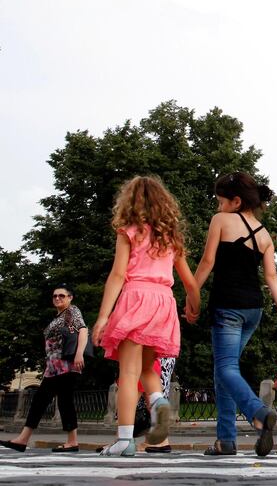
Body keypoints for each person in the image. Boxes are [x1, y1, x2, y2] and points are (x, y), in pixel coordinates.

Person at [90, 176, 200, 457]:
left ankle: (124, 440)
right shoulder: (171, 238)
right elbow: (190, 282)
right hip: (164, 302)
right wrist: (193, 307)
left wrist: (103, 317)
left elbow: (117, 275)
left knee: (127, 374)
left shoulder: (128, 232)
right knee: (147, 369)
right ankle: (159, 401)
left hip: (136, 297)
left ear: (129, 202)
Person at [194, 171, 277, 457]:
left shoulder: (221, 220)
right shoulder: (264, 234)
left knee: (226, 368)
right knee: (224, 371)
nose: (217, 207)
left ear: (235, 200)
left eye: (220, 201)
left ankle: (259, 413)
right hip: (254, 310)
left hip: (227, 306)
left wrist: (190, 295)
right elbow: (272, 277)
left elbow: (207, 262)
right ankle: (225, 440)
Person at [0, 285, 88, 453]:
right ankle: (26, 439)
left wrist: (79, 354)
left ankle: (69, 441)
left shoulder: (72, 311)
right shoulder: (58, 317)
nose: (57, 298)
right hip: (53, 367)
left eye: (62, 296)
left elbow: (83, 330)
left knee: (57, 401)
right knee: (46, 401)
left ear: (70, 298)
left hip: (66, 365)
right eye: (54, 296)